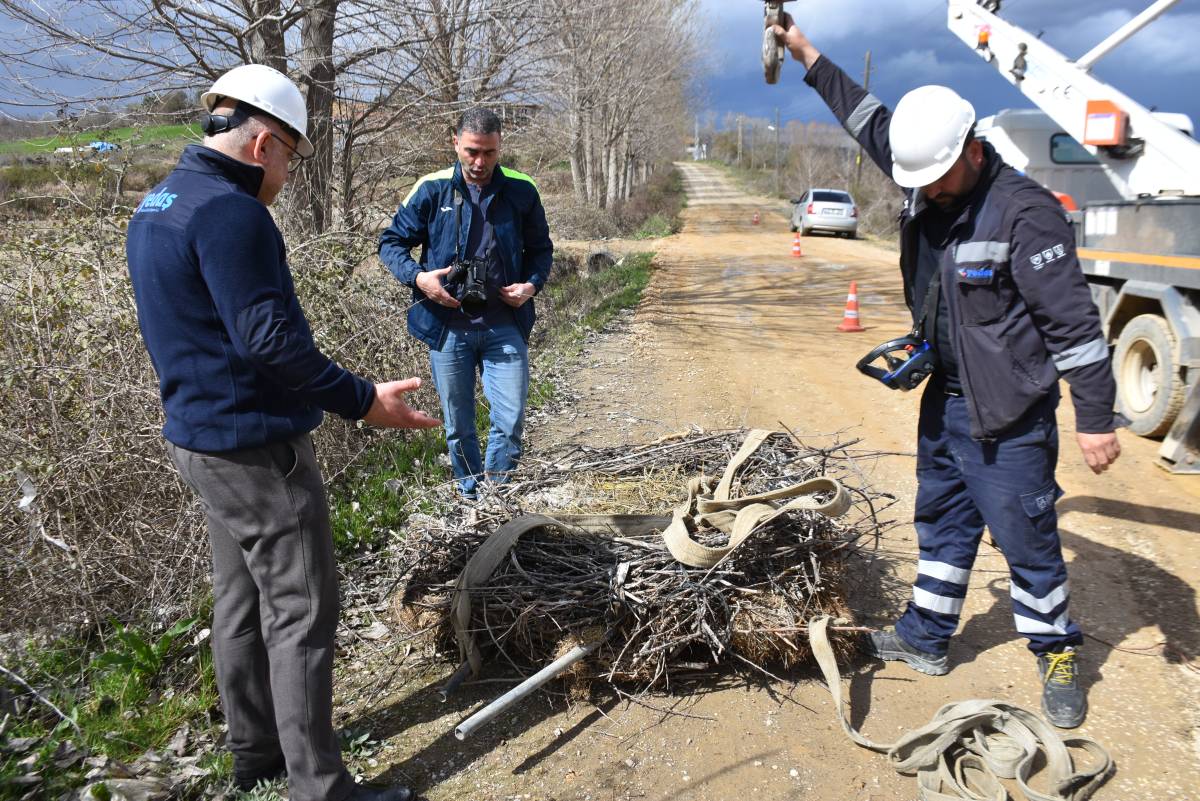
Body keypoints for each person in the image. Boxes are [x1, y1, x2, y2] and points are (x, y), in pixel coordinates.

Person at [770, 16, 1122, 728]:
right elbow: (864, 115)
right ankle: (926, 636)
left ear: (969, 150)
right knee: (942, 523)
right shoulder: (921, 166)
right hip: (948, 399)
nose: (923, 191)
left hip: (1010, 417)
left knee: (1025, 540)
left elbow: (1074, 326)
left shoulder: (1027, 214)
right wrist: (804, 50)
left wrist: (1094, 416)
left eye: (934, 179)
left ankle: (1055, 648)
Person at [125, 64, 437, 801]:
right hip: (256, 448)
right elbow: (270, 340)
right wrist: (363, 400)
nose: (290, 175)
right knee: (301, 606)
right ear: (263, 142)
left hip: (198, 435)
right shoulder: (232, 215)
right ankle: (320, 787)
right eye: (292, 158)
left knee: (239, 599)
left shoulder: (160, 200)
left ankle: (255, 754)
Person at [379, 108, 553, 499]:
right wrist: (419, 277)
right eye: (472, 151)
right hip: (447, 325)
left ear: (500, 146)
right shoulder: (430, 188)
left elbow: (542, 250)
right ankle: (470, 496)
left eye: (489, 153)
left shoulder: (522, 189)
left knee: (510, 419)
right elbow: (391, 243)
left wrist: (531, 285)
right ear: (454, 141)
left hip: (504, 323)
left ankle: (496, 496)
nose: (479, 162)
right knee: (458, 424)